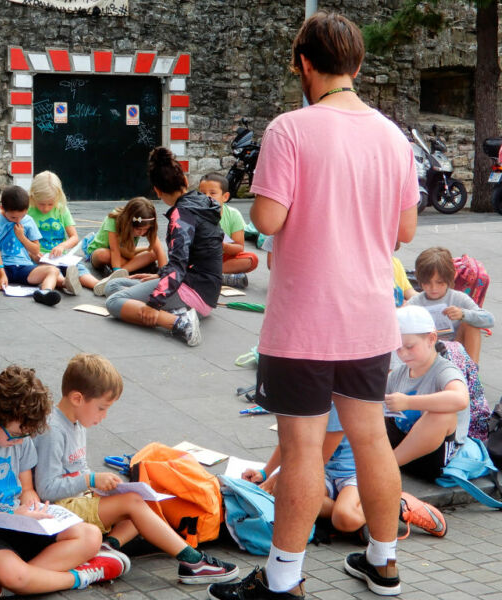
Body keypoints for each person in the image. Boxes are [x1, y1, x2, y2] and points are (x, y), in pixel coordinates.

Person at [208, 13, 418, 600]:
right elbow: (404, 229)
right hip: (371, 317)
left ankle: (282, 581)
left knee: (302, 448)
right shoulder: (393, 136)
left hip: (305, 322)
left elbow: (268, 220)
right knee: (371, 439)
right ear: (357, 65)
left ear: (305, 63)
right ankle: (384, 563)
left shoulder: (290, 129)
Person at [33, 353, 240, 584]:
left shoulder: (77, 421)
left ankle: (107, 547)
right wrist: (91, 479)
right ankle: (194, 562)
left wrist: (104, 486)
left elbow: (78, 468)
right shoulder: (52, 430)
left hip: (77, 498)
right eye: (101, 408)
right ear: (77, 398)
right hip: (59, 508)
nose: (104, 416)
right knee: (133, 504)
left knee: (144, 501)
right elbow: (46, 489)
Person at [0, 364, 127, 595]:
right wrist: (11, 516)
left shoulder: (20, 438)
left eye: (25, 435)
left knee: (90, 535)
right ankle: (79, 576)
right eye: (15, 435)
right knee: (15, 574)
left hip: (17, 519)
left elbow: (26, 488)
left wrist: (31, 504)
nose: (20, 441)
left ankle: (15, 583)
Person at [244, 401, 447, 540]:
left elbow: (318, 457)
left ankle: (394, 505)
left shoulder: (336, 400)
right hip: (325, 471)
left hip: (354, 473)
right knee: (286, 492)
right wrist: (265, 473)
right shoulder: (304, 394)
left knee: (345, 519)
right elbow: (292, 440)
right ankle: (371, 512)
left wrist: (278, 477)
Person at [104, 148, 223, 347]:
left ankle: (179, 322)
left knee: (114, 302)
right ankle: (176, 311)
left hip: (193, 292)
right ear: (185, 181)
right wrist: (160, 276)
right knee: (113, 286)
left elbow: (177, 265)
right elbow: (187, 259)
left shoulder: (181, 215)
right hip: (205, 290)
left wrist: (153, 304)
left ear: (157, 191)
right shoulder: (202, 202)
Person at [385, 305, 470, 483]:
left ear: (431, 338)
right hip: (398, 446)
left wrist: (408, 402)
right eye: (398, 348)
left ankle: (385, 466)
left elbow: (460, 399)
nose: (403, 354)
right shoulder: (398, 374)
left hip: (432, 459)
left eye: (409, 346)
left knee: (441, 415)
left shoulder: (444, 370)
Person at [0, 185, 63, 306]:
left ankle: (45, 293)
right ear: (2, 208)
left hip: (24, 266)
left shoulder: (28, 221)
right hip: (1, 267)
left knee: (53, 270)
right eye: (13, 217)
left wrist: (22, 237)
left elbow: (36, 250)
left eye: (22, 216)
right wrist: (2, 274)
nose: (18, 220)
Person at [408, 247, 494, 363]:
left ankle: (471, 373)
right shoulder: (415, 302)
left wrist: (463, 314)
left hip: (456, 351)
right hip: (428, 354)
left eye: (439, 283)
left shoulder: (458, 298)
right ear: (420, 281)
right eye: (427, 283)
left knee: (471, 325)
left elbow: (489, 320)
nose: (433, 288)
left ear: (448, 279)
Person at [28, 170, 95, 295]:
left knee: (79, 268)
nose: (46, 208)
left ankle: (98, 285)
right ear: (33, 196)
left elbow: (74, 237)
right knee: (51, 272)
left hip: (62, 257)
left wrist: (62, 246)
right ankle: (66, 283)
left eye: (50, 204)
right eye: (41, 204)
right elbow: (20, 239)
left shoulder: (61, 209)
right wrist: (32, 253)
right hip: (40, 259)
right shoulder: (28, 211)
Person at [85, 197, 167, 294]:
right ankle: (122, 272)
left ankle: (122, 271)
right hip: (107, 252)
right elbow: (114, 250)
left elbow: (159, 250)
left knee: (153, 253)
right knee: (102, 254)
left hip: (126, 254)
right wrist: (117, 273)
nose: (142, 233)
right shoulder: (114, 218)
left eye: (145, 230)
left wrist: (164, 277)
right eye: (139, 230)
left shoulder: (146, 223)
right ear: (129, 223)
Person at [198, 172, 256, 289]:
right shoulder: (195, 213)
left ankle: (208, 275)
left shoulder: (234, 215)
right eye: (203, 194)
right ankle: (218, 276)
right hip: (201, 258)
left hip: (224, 258)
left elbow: (239, 247)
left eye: (213, 193)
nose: (207, 197)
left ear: (225, 197)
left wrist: (223, 245)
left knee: (251, 259)